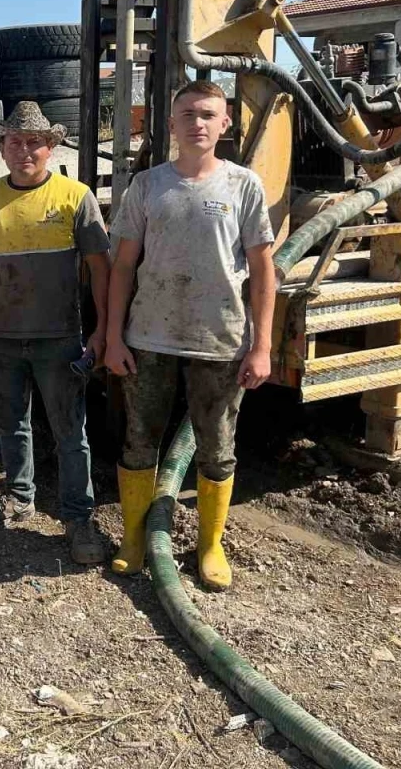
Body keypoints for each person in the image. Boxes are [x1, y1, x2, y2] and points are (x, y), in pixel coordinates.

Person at [103, 79, 276, 590]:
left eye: (207, 115)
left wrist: (262, 346)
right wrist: (113, 337)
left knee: (216, 448)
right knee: (139, 441)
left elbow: (263, 273)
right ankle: (134, 538)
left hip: (219, 338)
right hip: (148, 337)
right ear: (171, 124)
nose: (197, 123)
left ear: (224, 124)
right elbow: (122, 267)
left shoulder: (244, 186)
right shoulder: (147, 186)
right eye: (187, 115)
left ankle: (209, 544)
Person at [0, 102, 111, 564]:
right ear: (1, 149)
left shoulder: (75, 196)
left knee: (70, 431)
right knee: (11, 422)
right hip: (1, 336)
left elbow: (100, 269)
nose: (24, 150)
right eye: (15, 142)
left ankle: (79, 518)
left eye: (34, 142)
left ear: (50, 148)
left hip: (59, 338)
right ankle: (18, 496)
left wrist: (103, 329)